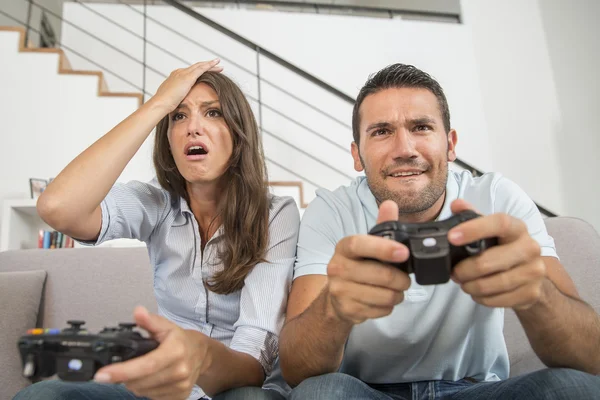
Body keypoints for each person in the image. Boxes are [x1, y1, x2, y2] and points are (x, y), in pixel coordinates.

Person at [279, 63, 600, 399]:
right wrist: (334, 306)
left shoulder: (495, 198)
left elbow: (588, 357)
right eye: (381, 131)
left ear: (451, 144)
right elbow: (296, 369)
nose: (405, 149)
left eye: (421, 127)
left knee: (575, 388)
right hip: (367, 392)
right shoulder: (332, 211)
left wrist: (536, 292)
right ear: (356, 155)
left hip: (475, 389)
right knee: (321, 393)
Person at [14, 59, 299, 400]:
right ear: (168, 139)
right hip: (158, 384)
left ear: (239, 137)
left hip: (233, 383)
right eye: (179, 116)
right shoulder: (155, 202)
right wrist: (158, 104)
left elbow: (253, 363)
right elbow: (57, 207)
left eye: (212, 113)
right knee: (44, 395)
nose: (193, 127)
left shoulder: (276, 214)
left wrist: (196, 359)